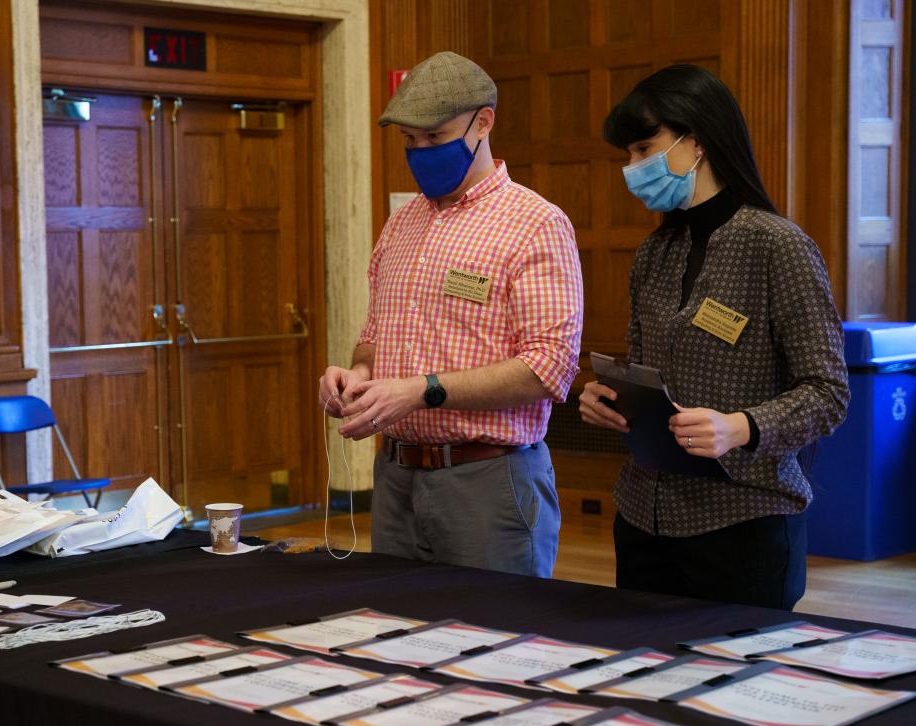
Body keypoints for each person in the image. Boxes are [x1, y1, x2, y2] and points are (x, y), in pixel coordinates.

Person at [580, 64, 849, 610]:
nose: (632, 169)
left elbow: (829, 392)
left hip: (742, 523)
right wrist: (608, 398)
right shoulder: (655, 253)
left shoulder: (778, 246)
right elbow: (646, 371)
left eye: (642, 148)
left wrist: (741, 426)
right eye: (627, 155)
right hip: (643, 517)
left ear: (695, 141)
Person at [319, 51, 584, 576]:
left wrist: (423, 389)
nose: (419, 153)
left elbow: (549, 367)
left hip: (487, 480)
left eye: (434, 138)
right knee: (392, 639)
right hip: (395, 479)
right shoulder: (402, 224)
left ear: (482, 123)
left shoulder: (535, 223)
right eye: (408, 142)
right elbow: (374, 338)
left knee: (496, 645)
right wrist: (359, 377)